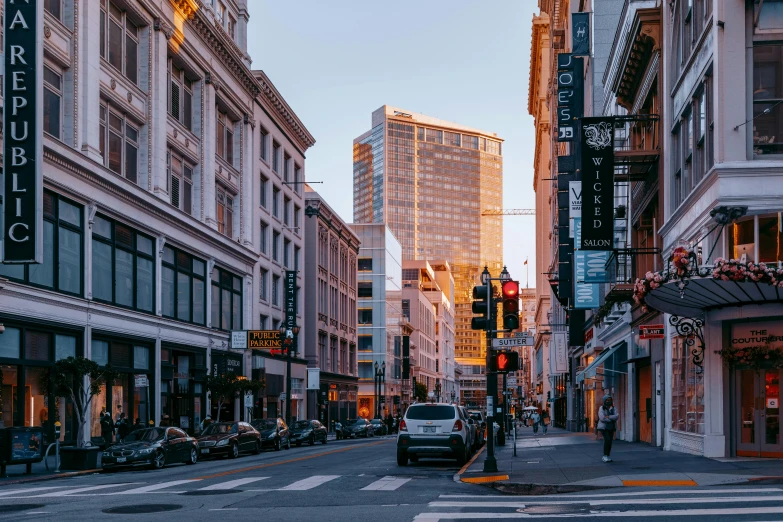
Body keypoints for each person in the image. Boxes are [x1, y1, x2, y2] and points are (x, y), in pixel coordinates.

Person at [597, 395, 620, 462]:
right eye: (607, 400)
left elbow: (617, 416)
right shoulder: (601, 408)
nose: (608, 401)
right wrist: (610, 419)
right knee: (607, 440)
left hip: (611, 427)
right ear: (604, 401)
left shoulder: (613, 408)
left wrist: (608, 417)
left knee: (610, 441)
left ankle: (607, 455)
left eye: (610, 400)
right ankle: (605, 455)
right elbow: (602, 418)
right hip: (604, 427)